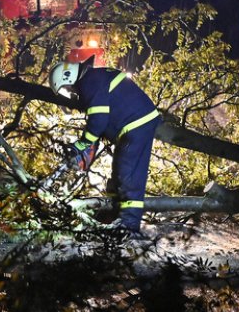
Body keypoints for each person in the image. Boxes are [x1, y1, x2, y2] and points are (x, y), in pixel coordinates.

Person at [49, 57, 161, 238]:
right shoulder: (94, 77)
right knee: (119, 173)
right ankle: (114, 215)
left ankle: (129, 226)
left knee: (128, 175)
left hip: (136, 125)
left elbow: (99, 120)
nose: (71, 92)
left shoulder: (89, 83)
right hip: (135, 123)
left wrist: (82, 143)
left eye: (68, 88)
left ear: (69, 77)